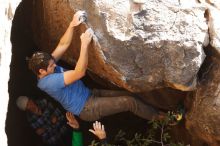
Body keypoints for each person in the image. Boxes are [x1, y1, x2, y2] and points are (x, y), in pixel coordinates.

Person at [28, 10, 166, 122]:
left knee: (129, 94)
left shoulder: (47, 67)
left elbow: (62, 45)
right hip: (87, 108)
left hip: (89, 93)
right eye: (51, 66)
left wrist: (72, 24)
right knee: (128, 102)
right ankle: (162, 119)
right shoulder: (48, 82)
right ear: (42, 71)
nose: (54, 65)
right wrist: (84, 44)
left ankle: (159, 111)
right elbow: (79, 72)